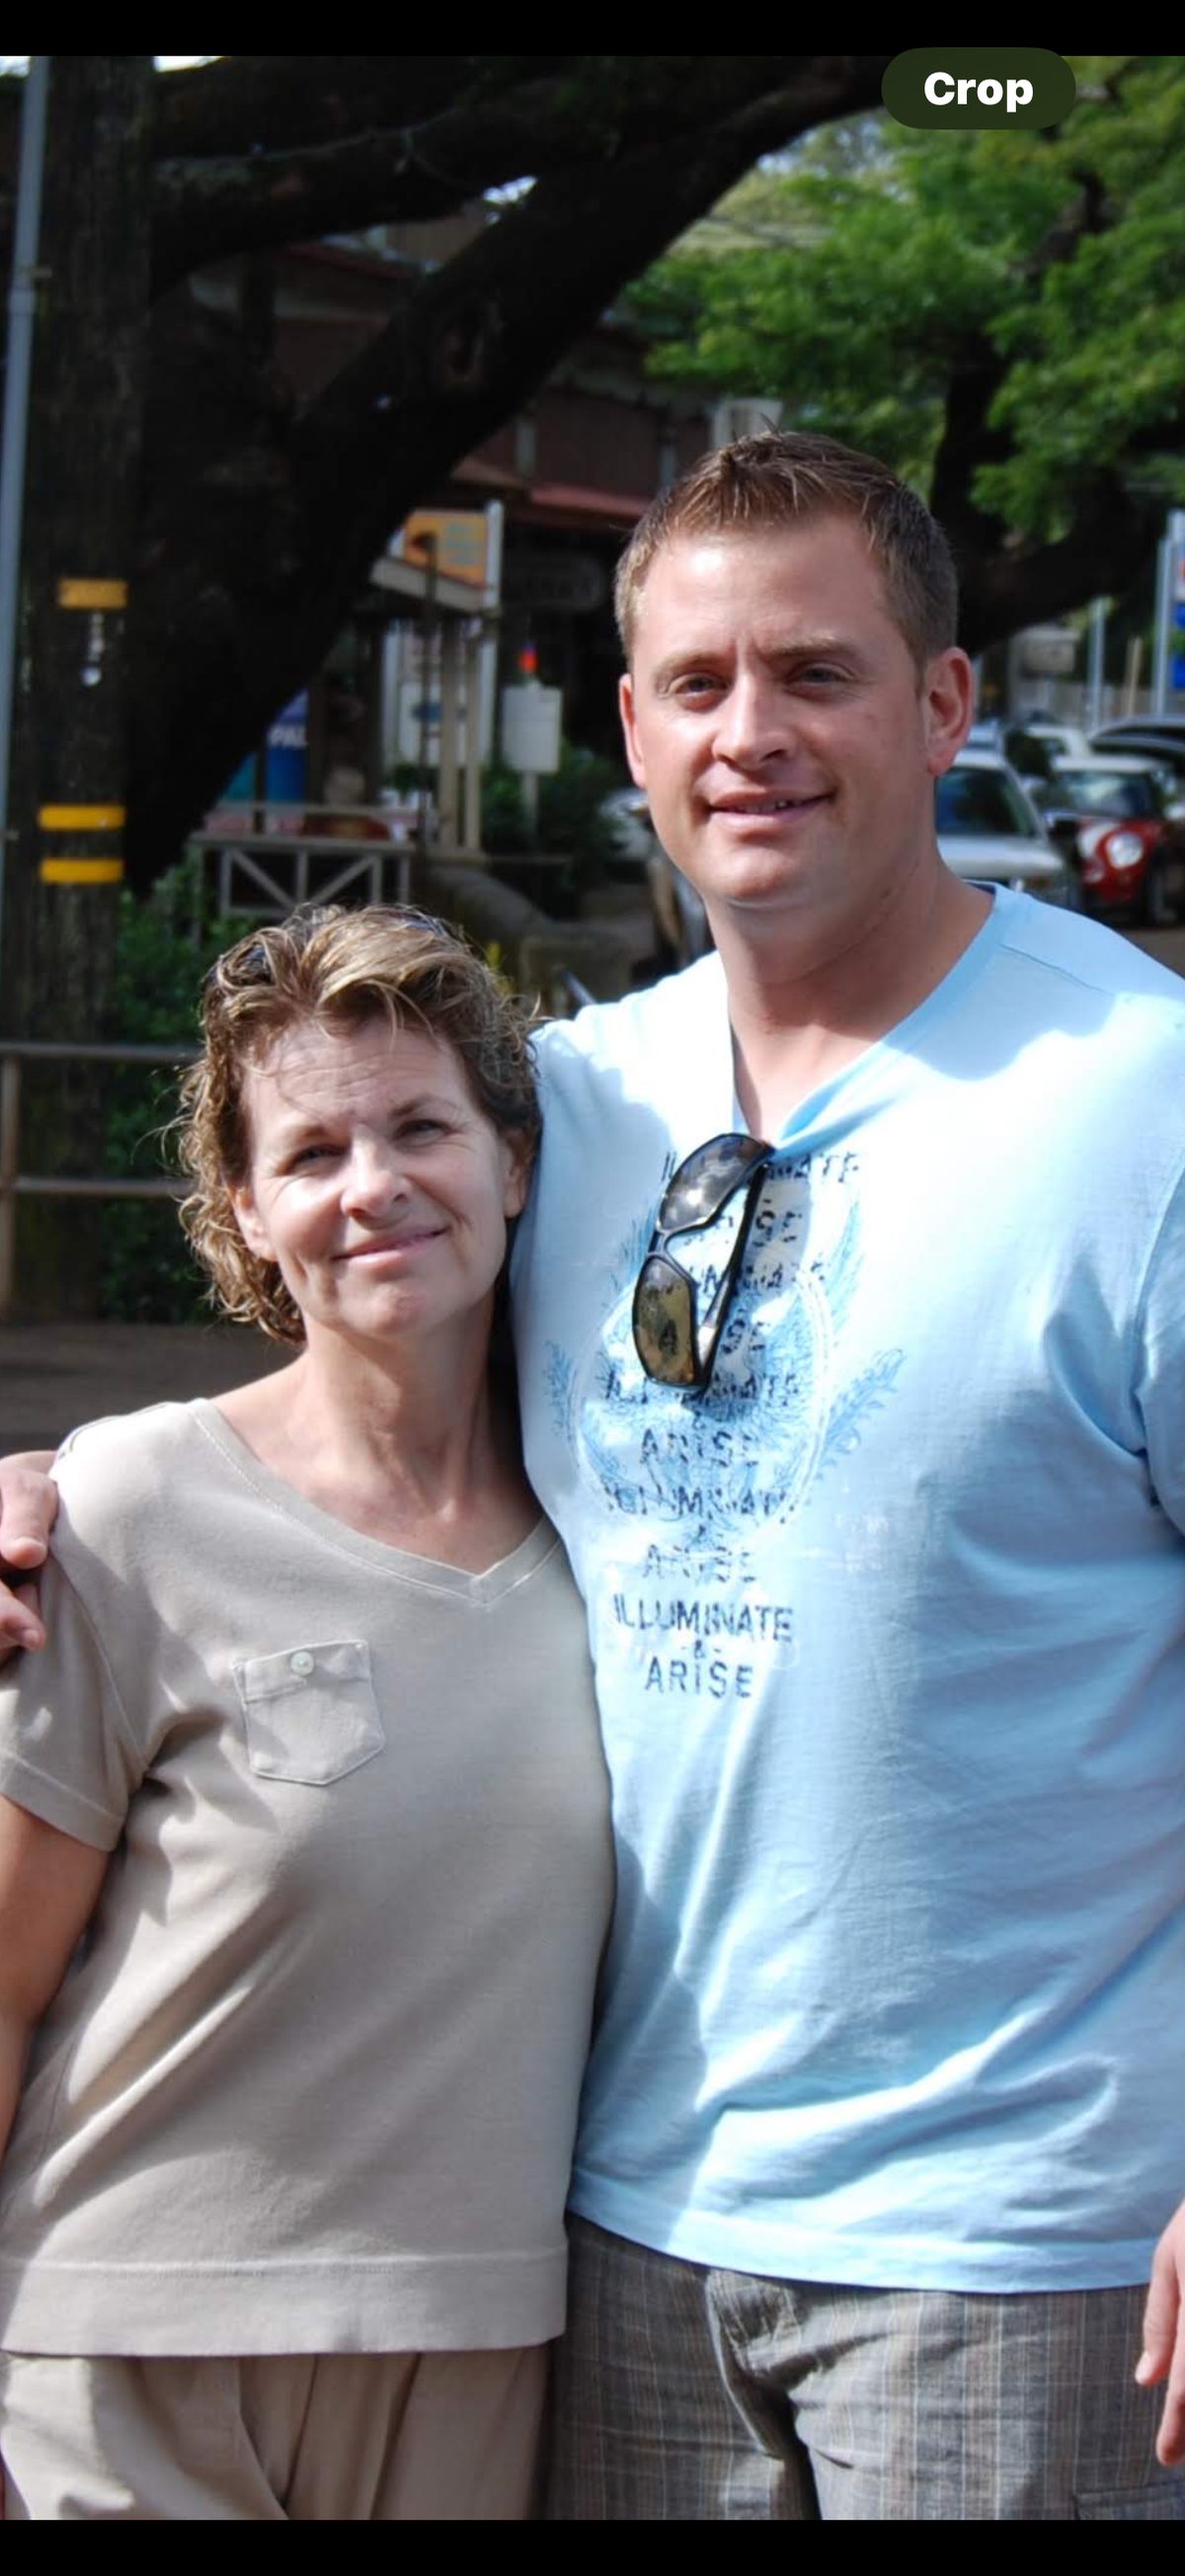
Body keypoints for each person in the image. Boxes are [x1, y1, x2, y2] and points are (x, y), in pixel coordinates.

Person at [4, 432, 1185, 2521]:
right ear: (630, 725)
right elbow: (340, 1424)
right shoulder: (573, 1101)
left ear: (941, 706)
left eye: (818, 673)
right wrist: (47, 1504)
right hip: (615, 2225)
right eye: (701, 682)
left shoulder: (1140, 1101)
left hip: (1021, 2243)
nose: (757, 734)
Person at [0, 906, 611, 2521]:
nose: (374, 1186)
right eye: (312, 1151)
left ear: (516, 1163)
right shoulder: (124, 1508)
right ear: (250, 1216)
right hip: (123, 2365)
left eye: (423, 1126)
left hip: (479, 2359)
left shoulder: (625, 1534)